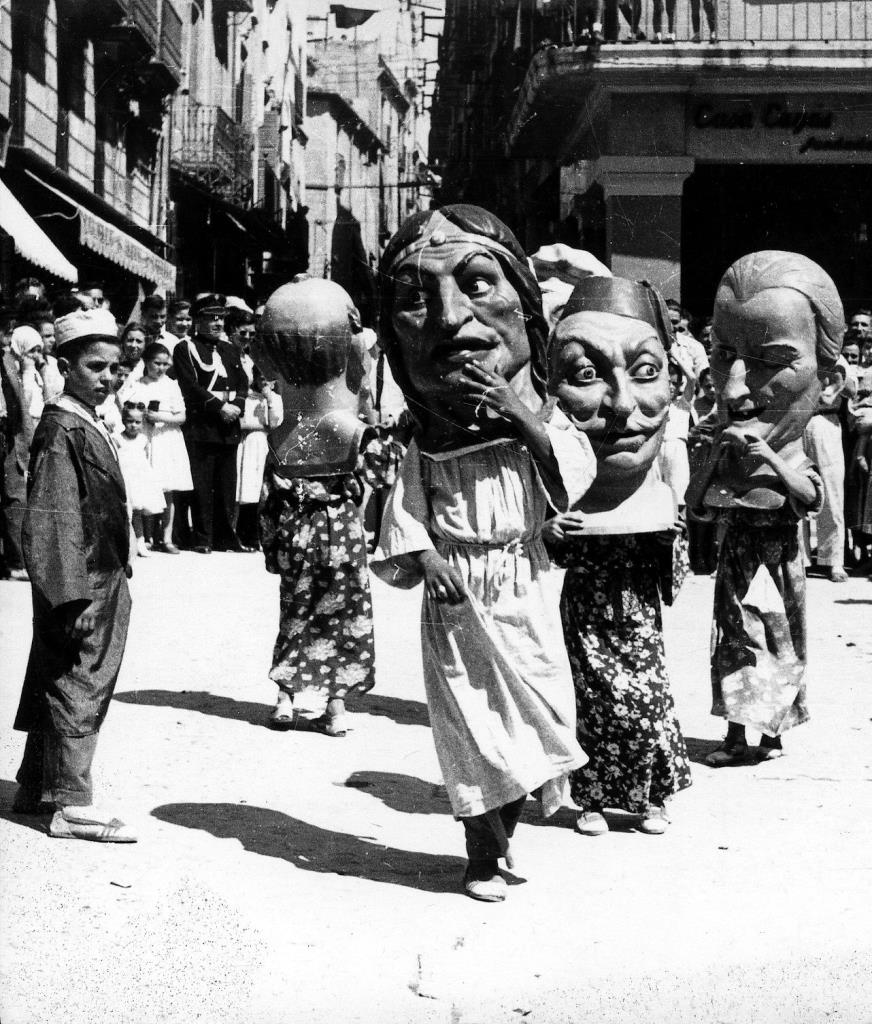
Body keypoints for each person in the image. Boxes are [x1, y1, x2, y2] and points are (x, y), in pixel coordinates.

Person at [371, 206, 595, 903]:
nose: (450, 319)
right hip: (458, 591)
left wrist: (516, 410)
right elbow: (405, 514)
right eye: (414, 299)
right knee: (472, 727)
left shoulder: (538, 422)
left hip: (523, 583)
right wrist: (429, 559)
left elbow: (570, 477)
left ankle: (505, 842)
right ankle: (479, 855)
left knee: (539, 717)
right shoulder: (424, 442)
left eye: (479, 285)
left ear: (528, 313)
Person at [544, 275, 692, 837]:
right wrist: (551, 530)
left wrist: (670, 533)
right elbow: (538, 549)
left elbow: (672, 561)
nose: (623, 404)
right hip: (584, 605)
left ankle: (653, 796)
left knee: (648, 698)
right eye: (586, 376)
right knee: (590, 699)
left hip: (635, 608)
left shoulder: (661, 469)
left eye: (647, 372)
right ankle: (592, 799)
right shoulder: (554, 468)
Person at [687, 251, 844, 767]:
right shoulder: (724, 447)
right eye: (722, 352)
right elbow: (699, 507)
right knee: (734, 639)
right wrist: (712, 459)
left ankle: (772, 731)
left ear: (831, 381)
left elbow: (807, 498)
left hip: (778, 560)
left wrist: (771, 458)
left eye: (772, 361)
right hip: (738, 555)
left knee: (779, 642)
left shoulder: (799, 451)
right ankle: (735, 733)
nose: (732, 388)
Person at [251, 278, 404, 736]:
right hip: (342, 534)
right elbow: (384, 475)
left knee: (294, 611)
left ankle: (285, 697)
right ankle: (336, 703)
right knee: (344, 616)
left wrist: (272, 549)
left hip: (297, 532)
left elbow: (268, 501)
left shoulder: (280, 433)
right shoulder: (357, 433)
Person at [12, 307, 136, 842]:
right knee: (83, 680)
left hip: (94, 571)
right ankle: (71, 802)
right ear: (64, 366)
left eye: (114, 367)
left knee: (54, 672)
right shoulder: (63, 427)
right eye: (94, 366)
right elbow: (54, 514)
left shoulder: (83, 419)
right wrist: (73, 596)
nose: (107, 377)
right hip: (83, 577)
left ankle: (37, 785)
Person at [173, 293, 249, 553]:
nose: (217, 323)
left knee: (227, 483)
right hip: (204, 424)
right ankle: (203, 537)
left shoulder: (230, 349)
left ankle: (226, 536)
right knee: (203, 484)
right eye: (211, 318)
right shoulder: (186, 348)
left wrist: (237, 406)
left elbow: (242, 383)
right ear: (197, 321)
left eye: (221, 318)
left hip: (230, 423)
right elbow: (190, 385)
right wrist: (220, 407)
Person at [122, 342, 192, 554]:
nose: (161, 368)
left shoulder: (171, 384)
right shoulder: (137, 384)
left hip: (166, 438)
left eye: (164, 364)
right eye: (156, 363)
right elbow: (125, 406)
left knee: (167, 490)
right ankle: (148, 536)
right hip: (144, 437)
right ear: (146, 362)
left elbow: (182, 416)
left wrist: (159, 416)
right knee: (146, 486)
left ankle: (167, 537)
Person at [803, 357, 849, 582]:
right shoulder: (795, 347)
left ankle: (833, 561)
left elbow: (849, 390)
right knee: (796, 488)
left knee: (831, 491)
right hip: (796, 420)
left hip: (825, 420)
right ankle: (800, 558)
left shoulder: (836, 357)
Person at [235, 368, 283, 549]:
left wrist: (269, 400)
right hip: (249, 444)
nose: (264, 382)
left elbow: (274, 423)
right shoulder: (247, 398)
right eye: (260, 378)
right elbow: (241, 423)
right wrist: (258, 424)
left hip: (266, 445)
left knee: (263, 490)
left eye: (268, 380)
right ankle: (244, 533)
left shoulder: (276, 399)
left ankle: (262, 534)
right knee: (247, 488)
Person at [117, 403, 166, 557]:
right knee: (124, 512)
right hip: (124, 479)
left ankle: (141, 541)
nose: (133, 425)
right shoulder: (117, 438)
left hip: (138, 481)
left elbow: (145, 460)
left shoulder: (143, 439)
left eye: (137, 422)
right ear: (123, 420)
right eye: (129, 421)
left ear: (142, 422)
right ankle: (123, 544)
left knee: (138, 512)